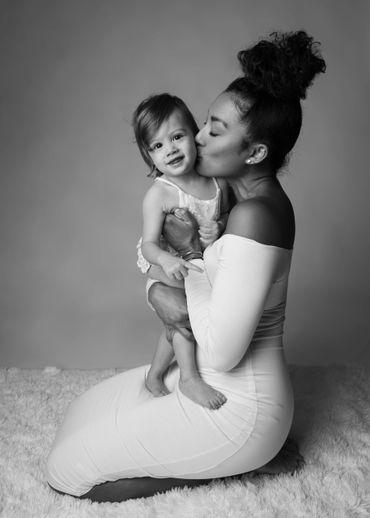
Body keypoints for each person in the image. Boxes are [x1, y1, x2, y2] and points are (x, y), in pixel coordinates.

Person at [46, 30, 326, 502]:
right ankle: (239, 451)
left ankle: (250, 461)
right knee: (81, 411)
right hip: (223, 380)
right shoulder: (246, 197)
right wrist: (161, 288)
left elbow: (220, 352)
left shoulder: (256, 214)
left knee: (68, 472)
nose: (196, 137)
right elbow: (191, 285)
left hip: (243, 409)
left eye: (214, 130)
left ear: (256, 153)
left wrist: (191, 254)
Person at [133, 93, 229, 409]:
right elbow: (148, 245)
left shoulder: (216, 181)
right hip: (167, 269)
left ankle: (154, 375)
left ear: (194, 134)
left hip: (201, 264)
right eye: (157, 146)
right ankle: (189, 378)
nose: (170, 149)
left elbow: (227, 217)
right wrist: (165, 258)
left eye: (177, 137)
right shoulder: (159, 194)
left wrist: (219, 228)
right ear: (149, 156)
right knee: (183, 315)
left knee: (181, 319)